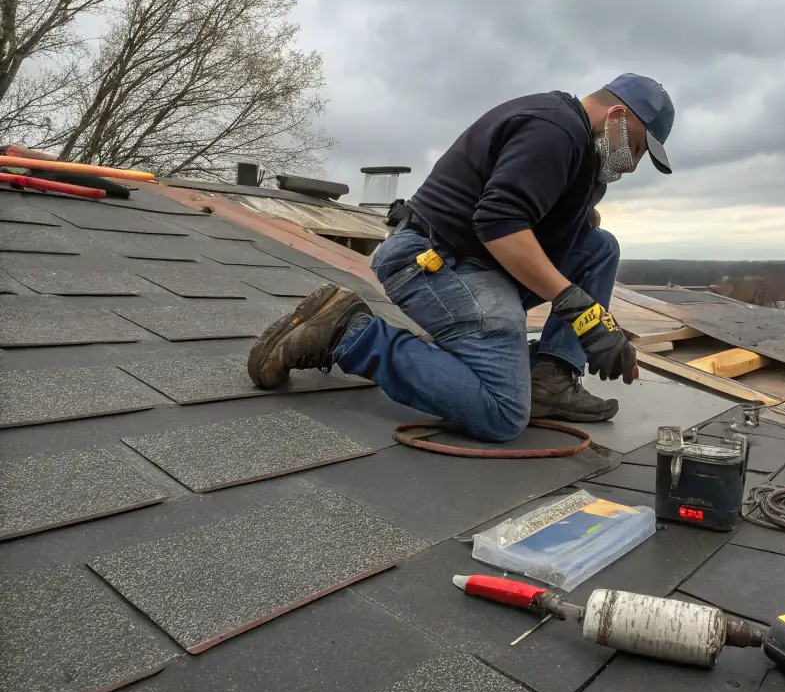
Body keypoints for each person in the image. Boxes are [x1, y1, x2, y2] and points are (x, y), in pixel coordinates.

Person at [246, 73, 674, 442]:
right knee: (503, 414)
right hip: (431, 261)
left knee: (599, 247)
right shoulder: (555, 131)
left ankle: (550, 377)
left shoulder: (575, 144)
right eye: (635, 148)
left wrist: (578, 214)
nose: (631, 163)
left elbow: (540, 216)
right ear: (618, 119)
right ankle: (350, 335)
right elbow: (500, 225)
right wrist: (586, 315)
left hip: (473, 262)